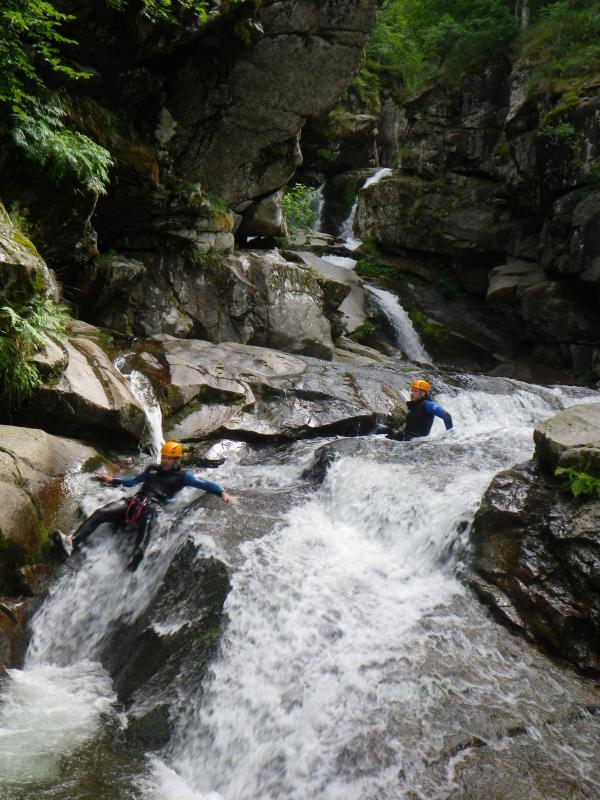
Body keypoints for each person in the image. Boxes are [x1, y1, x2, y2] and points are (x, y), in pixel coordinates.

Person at [55, 441, 233, 571]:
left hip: (152, 508)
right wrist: (114, 480)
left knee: (142, 539)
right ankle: (72, 542)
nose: (164, 460)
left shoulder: (184, 477)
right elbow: (134, 481)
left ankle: (132, 566)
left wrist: (222, 492)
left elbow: (205, 484)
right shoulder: (152, 469)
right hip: (134, 502)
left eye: (169, 458)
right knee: (101, 513)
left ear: (177, 459)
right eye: (163, 457)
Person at [388, 379, 453, 441]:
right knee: (384, 429)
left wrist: (450, 436)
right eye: (412, 390)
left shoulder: (428, 404)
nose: (412, 393)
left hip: (416, 442)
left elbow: (446, 416)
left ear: (423, 393)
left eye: (415, 391)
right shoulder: (414, 404)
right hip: (406, 438)